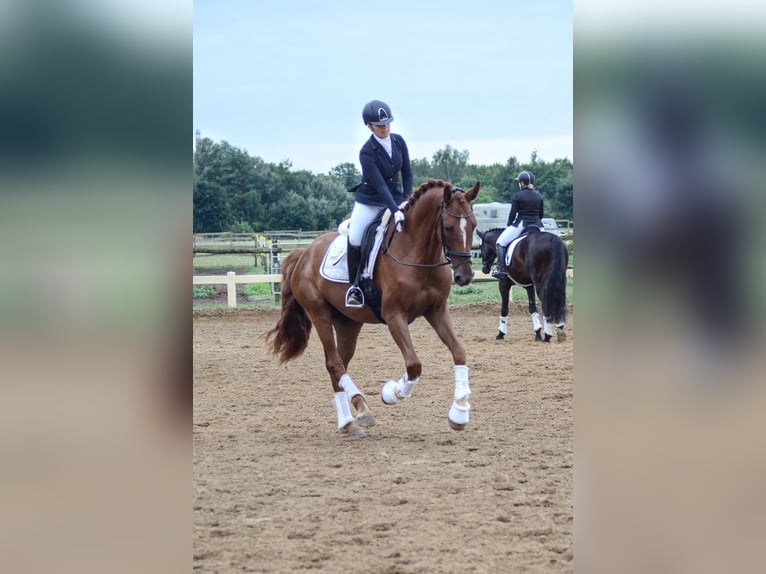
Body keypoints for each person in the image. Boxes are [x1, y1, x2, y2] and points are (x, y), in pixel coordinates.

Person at [345, 99, 413, 307]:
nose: (385, 128)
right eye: (380, 125)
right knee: (355, 237)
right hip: (370, 202)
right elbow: (380, 185)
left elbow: (407, 173)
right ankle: (355, 286)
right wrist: (394, 209)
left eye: (388, 124)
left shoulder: (399, 141)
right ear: (369, 126)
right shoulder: (366, 152)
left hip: (398, 201)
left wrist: (406, 201)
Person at [492, 170, 544, 279]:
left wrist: (509, 226)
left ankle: (501, 270)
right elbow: (541, 214)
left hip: (522, 224)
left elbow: (512, 214)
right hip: (538, 225)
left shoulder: (518, 196)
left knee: (500, 243)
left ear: (521, 183)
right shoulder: (539, 196)